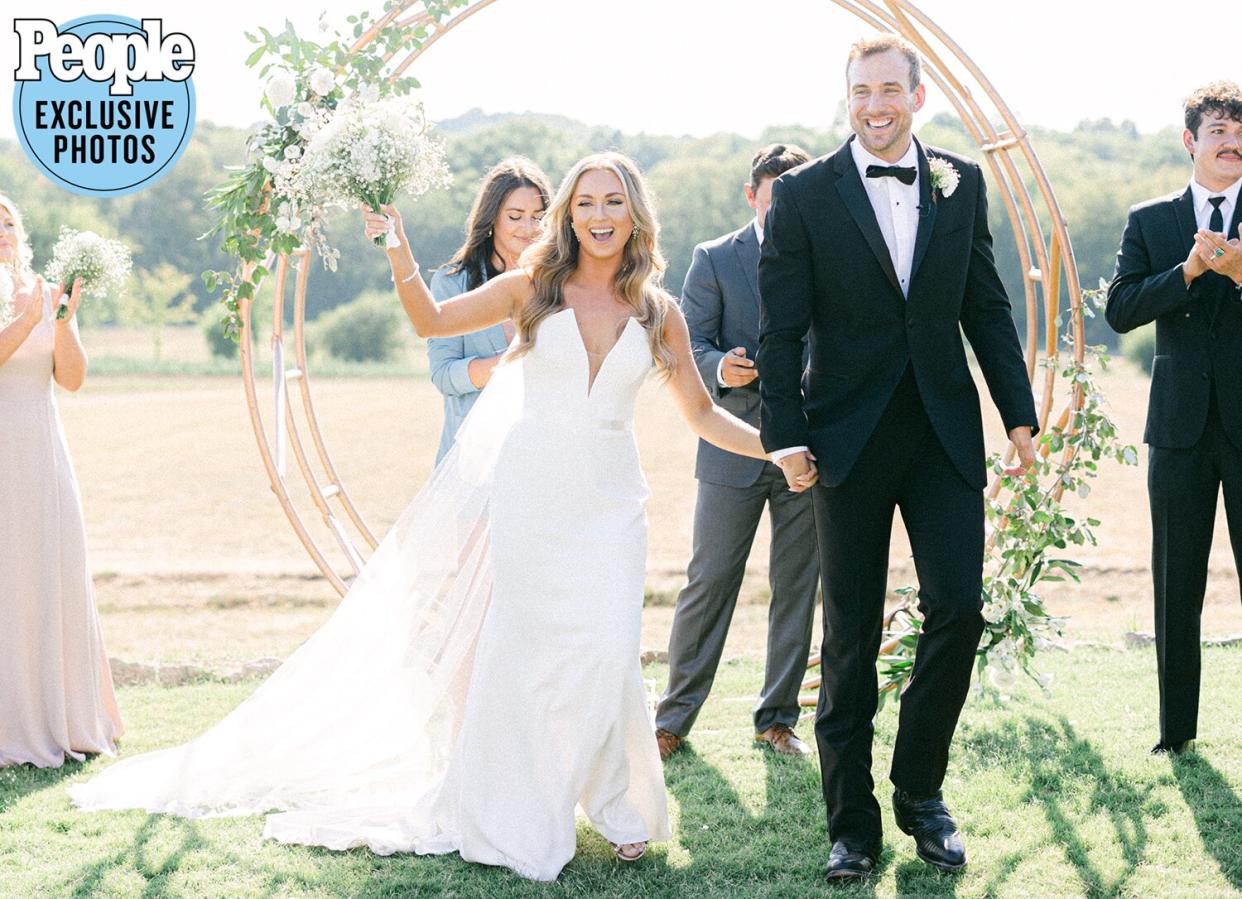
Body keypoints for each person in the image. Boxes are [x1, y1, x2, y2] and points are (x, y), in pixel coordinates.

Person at [70, 153, 814, 882]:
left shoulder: (658, 310)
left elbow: (704, 413)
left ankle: (619, 806)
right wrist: (395, 244)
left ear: (635, 214)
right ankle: (521, 806)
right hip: (532, 497)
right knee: (526, 656)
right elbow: (429, 320)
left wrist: (775, 451)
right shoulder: (532, 288)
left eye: (612, 201)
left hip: (611, 506)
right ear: (569, 214)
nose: (598, 215)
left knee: (611, 652)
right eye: (585, 202)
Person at [756, 36, 1038, 881]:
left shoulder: (962, 181)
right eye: (860, 92)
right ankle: (851, 823)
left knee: (960, 607)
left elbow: (985, 305)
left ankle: (920, 789)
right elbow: (779, 328)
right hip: (844, 439)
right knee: (849, 633)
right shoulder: (803, 196)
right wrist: (786, 433)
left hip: (944, 432)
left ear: (917, 97)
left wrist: (1017, 416)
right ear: (847, 100)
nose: (874, 106)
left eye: (888, 90)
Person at [655, 143, 819, 761]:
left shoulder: (828, 255)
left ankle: (777, 719)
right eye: (773, 198)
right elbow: (684, 344)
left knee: (798, 584)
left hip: (808, 449)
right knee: (710, 578)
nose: (782, 212)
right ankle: (672, 721)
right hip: (729, 445)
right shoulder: (715, 259)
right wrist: (720, 366)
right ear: (752, 196)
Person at [1105, 81, 1242, 756]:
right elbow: (1121, 307)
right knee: (1176, 584)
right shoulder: (1151, 219)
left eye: (1241, 130)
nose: (1232, 141)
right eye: (1219, 129)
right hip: (1180, 428)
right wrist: (1185, 272)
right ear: (1192, 141)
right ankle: (1175, 733)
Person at [0, 194, 123, 768]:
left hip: (41, 450)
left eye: (7, 223)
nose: (2, 233)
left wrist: (62, 321)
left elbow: (70, 379)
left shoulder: (49, 293)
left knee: (52, 570)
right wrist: (25, 320)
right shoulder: (25, 306)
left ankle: (63, 715)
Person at [428, 157, 551, 462]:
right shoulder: (452, 282)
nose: (528, 227)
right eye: (515, 216)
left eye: (538, 217)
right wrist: (512, 365)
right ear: (492, 217)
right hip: (471, 457)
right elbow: (444, 375)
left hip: (542, 454)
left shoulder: (559, 285)